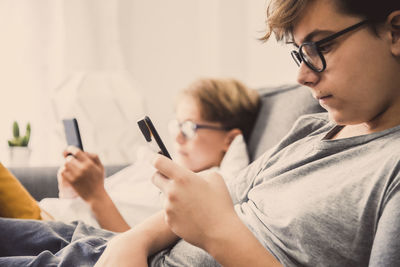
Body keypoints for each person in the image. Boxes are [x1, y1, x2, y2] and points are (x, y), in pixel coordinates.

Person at [1, 0, 400, 266]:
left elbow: (212, 217)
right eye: (299, 53)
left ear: (394, 33)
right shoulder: (310, 130)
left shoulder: (391, 168)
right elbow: (216, 195)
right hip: (105, 249)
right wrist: (132, 242)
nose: (301, 75)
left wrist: (216, 230)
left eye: (319, 47)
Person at [1, 78, 261, 232]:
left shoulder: (206, 190)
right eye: (177, 124)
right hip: (48, 217)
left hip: (57, 231)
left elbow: (127, 244)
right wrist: (74, 191)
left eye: (190, 127)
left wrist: (95, 196)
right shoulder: (158, 166)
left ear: (230, 139)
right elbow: (84, 209)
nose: (178, 137)